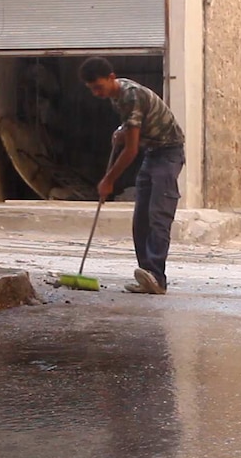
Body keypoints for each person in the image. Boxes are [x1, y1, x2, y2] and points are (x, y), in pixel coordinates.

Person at [79, 57, 185, 295]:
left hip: (168, 153)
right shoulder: (117, 97)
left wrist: (108, 180)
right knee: (141, 219)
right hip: (153, 152)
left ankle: (157, 277)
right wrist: (121, 131)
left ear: (111, 78)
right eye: (92, 89)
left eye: (99, 87)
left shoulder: (130, 94)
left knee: (158, 214)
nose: (96, 93)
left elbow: (131, 150)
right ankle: (146, 274)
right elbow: (133, 125)